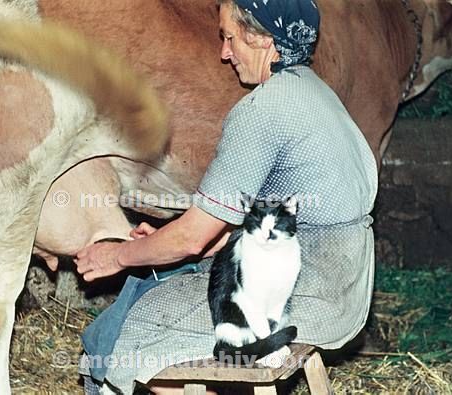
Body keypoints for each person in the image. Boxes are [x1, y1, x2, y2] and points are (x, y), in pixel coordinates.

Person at [74, 0, 378, 393]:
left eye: (230, 38)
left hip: (301, 290)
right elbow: (242, 221)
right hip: (345, 282)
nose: (224, 53)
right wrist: (164, 243)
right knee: (173, 284)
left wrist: (115, 256)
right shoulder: (315, 92)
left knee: (130, 330)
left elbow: (193, 236)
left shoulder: (262, 110)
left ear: (264, 39)